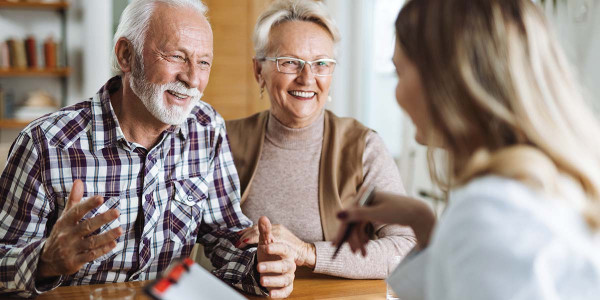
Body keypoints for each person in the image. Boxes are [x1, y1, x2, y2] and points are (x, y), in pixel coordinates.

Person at [0, 0, 295, 298]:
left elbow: (225, 234)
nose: (193, 78)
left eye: (203, 62)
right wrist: (45, 261)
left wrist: (260, 266)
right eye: (176, 56)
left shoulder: (206, 128)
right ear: (126, 55)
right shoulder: (46, 143)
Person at [335, 0, 600, 299]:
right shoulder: (534, 190)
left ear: (445, 79)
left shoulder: (493, 213)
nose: (397, 94)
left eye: (400, 72)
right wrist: (425, 226)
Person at [227, 0, 416, 279]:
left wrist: (307, 252)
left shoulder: (363, 147)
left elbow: (407, 248)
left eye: (321, 64)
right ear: (259, 71)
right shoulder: (223, 141)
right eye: (290, 62)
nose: (307, 78)